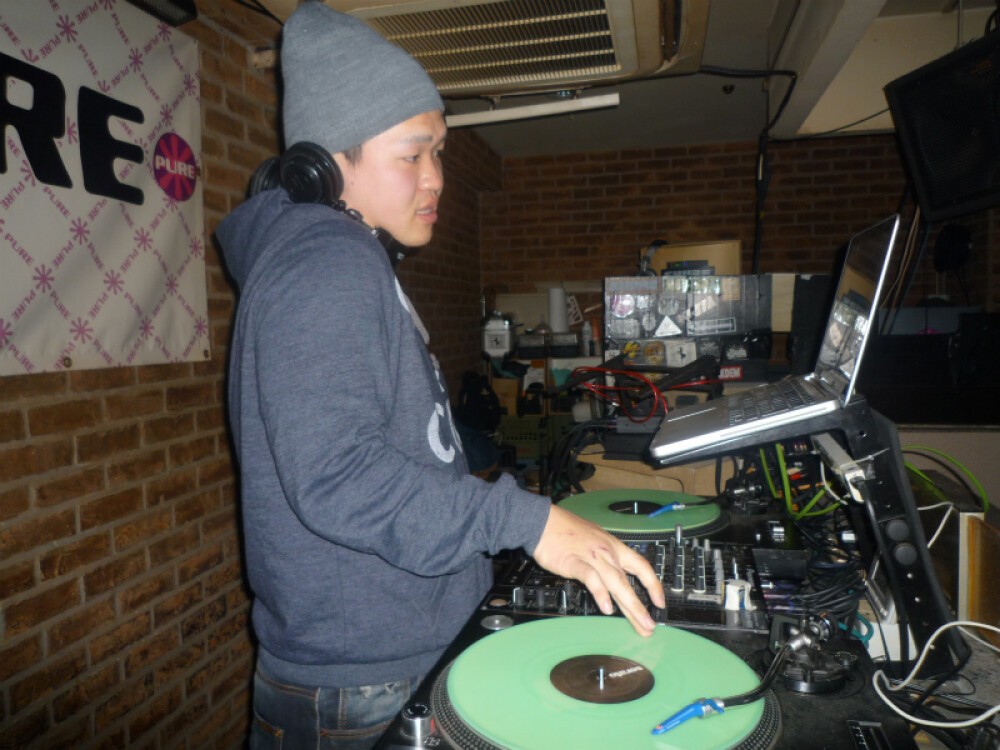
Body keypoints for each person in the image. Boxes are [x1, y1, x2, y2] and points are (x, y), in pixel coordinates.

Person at [215, 3, 665, 748]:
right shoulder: (325, 263)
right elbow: (335, 475)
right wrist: (525, 521)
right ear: (325, 164)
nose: (437, 179)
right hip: (361, 682)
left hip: (384, 660)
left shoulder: (339, 256)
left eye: (441, 152)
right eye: (412, 155)